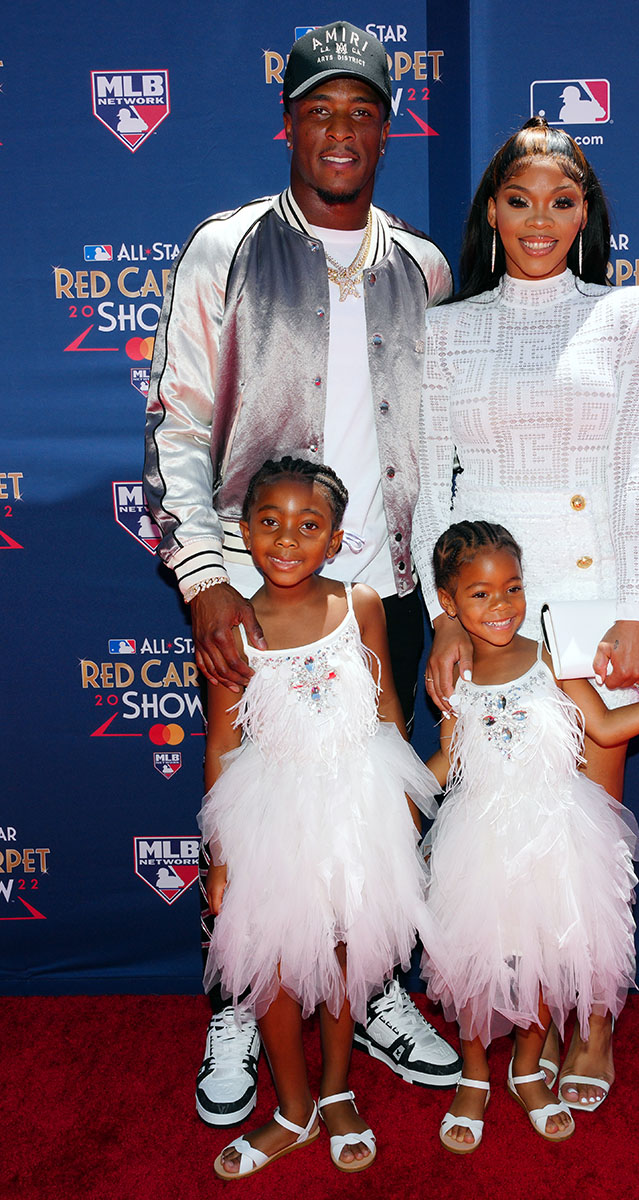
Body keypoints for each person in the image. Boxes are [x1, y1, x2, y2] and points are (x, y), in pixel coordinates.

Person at [143, 21, 459, 1123]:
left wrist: (450, 592)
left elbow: (446, 443)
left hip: (387, 592)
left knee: (376, 811)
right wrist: (203, 576)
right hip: (254, 586)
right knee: (248, 808)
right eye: (319, 110)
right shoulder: (223, 247)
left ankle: (366, 986)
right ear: (287, 123)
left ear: (386, 127)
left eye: (360, 112)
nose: (340, 130)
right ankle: (240, 992)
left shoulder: (423, 266)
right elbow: (179, 427)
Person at [411, 116, 639, 1109]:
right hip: (484, 610)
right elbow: (435, 486)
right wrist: (443, 614)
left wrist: (634, 608)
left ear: (584, 215)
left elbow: (632, 475)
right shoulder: (443, 328)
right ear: (490, 209)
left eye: (560, 202)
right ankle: (516, 1015)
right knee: (493, 829)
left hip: (590, 596)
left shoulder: (633, 313)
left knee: (589, 834)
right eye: (518, 200)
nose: (537, 219)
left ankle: (592, 1019)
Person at [422, 521, 639, 1152]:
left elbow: (605, 727)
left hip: (557, 833)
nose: (500, 606)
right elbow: (450, 760)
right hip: (481, 840)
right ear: (447, 603)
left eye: (513, 588)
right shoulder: (452, 681)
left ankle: (528, 1071)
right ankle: (474, 1075)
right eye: (479, 594)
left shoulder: (552, 660)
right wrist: (396, 783)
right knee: (478, 963)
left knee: (547, 959)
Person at [203, 456, 439, 1179]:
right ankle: (293, 1109)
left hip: (357, 806)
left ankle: (336, 1091)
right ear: (243, 533)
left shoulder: (361, 602)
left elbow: (389, 708)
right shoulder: (232, 630)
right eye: (269, 522)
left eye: (309, 526)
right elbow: (222, 744)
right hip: (270, 815)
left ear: (335, 540)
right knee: (271, 969)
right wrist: (220, 855)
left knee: (344, 957)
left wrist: (402, 813)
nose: (286, 539)